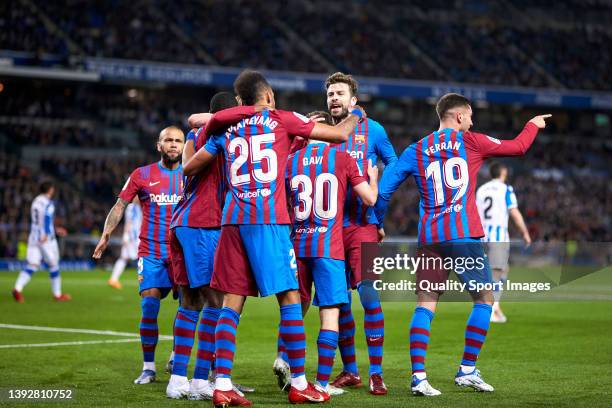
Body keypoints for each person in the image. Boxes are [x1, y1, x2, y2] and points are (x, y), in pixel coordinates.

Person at [183, 69, 364, 406]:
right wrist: (356, 113)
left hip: (232, 223)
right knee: (291, 299)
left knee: (230, 306)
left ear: (240, 101)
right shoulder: (282, 120)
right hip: (268, 221)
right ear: (267, 97)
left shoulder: (225, 129)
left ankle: (221, 384)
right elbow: (338, 135)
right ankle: (298, 383)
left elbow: (190, 166)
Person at [375, 93, 551, 396]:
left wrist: (377, 223)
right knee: (485, 299)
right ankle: (467, 369)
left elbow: (383, 190)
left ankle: (419, 377)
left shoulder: (415, 150)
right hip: (462, 236)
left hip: (429, 238)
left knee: (426, 304)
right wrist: (532, 124)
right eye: (470, 117)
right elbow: (519, 147)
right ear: (459, 116)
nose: (472, 122)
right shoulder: (471, 142)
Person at [280, 110, 380, 397]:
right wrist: (373, 178)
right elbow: (370, 199)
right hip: (329, 247)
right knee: (330, 315)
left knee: (293, 312)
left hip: (297, 246)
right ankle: (321, 385)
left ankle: (298, 378)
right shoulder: (343, 157)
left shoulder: (290, 161)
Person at [166, 92, 255, 399]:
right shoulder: (215, 132)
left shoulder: (197, 135)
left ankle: (178, 380)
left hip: (183, 223)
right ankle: (201, 379)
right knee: (218, 304)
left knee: (191, 303)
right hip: (203, 223)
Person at [93, 126, 184, 385]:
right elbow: (120, 204)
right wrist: (106, 234)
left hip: (182, 252)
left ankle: (177, 354)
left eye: (178, 141)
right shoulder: (141, 174)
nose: (174, 145)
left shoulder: (191, 174)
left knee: (187, 308)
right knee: (149, 307)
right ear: (159, 145)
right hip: (152, 251)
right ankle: (148, 367)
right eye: (168, 140)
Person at [324, 72, 397, 395]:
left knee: (369, 294)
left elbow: (393, 166)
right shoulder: (323, 132)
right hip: (329, 229)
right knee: (338, 302)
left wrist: (377, 211)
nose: (334, 99)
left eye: (339, 93)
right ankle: (351, 369)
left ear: (354, 100)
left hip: (363, 226)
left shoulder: (374, 130)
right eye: (330, 94)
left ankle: (376, 373)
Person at [476, 162, 531, 323]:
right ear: (503, 172)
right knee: (496, 273)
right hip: (498, 236)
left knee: (501, 271)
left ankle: (495, 306)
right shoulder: (506, 189)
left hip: (482, 235)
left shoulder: (481, 189)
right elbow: (513, 211)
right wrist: (524, 232)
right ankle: (491, 309)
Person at [12, 180, 70, 302]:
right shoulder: (48, 203)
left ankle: (17, 288)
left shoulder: (36, 201)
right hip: (46, 239)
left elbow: (39, 220)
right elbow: (47, 218)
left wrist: (55, 229)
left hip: (34, 237)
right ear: (50, 190)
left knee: (32, 264)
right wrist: (47, 233)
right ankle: (57, 294)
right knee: (54, 265)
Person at [108, 201, 142, 290]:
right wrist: (126, 235)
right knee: (142, 257)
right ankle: (143, 281)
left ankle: (113, 279)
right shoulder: (133, 207)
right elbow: (129, 222)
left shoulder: (135, 207)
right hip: (133, 237)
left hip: (132, 236)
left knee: (124, 258)